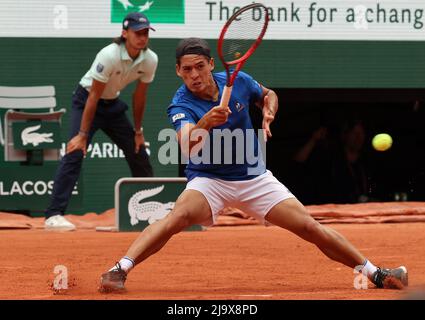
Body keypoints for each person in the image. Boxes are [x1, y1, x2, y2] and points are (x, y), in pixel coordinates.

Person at [98, 38, 408, 292]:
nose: (194, 75)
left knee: (309, 227)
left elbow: (268, 95)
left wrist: (269, 111)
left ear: (210, 65)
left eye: (200, 67)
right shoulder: (180, 103)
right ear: (178, 71)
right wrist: (206, 121)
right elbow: (186, 142)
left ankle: (376, 273)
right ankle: (120, 269)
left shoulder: (240, 82)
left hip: (253, 178)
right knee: (177, 217)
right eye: (187, 69)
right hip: (209, 181)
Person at [44, 12, 157, 231]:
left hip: (112, 104)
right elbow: (93, 96)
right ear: (125, 33)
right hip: (86, 100)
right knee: (74, 151)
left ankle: (149, 213)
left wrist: (138, 130)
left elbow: (139, 96)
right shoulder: (109, 54)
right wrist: (83, 135)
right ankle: (53, 215)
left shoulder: (150, 59)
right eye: (137, 33)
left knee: (138, 151)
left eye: (145, 33)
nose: (142, 37)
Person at [293, 120, 371, 204]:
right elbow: (298, 161)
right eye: (355, 133)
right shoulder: (331, 159)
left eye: (361, 133)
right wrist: (314, 139)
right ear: (345, 135)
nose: (359, 137)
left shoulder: (366, 162)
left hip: (360, 210)